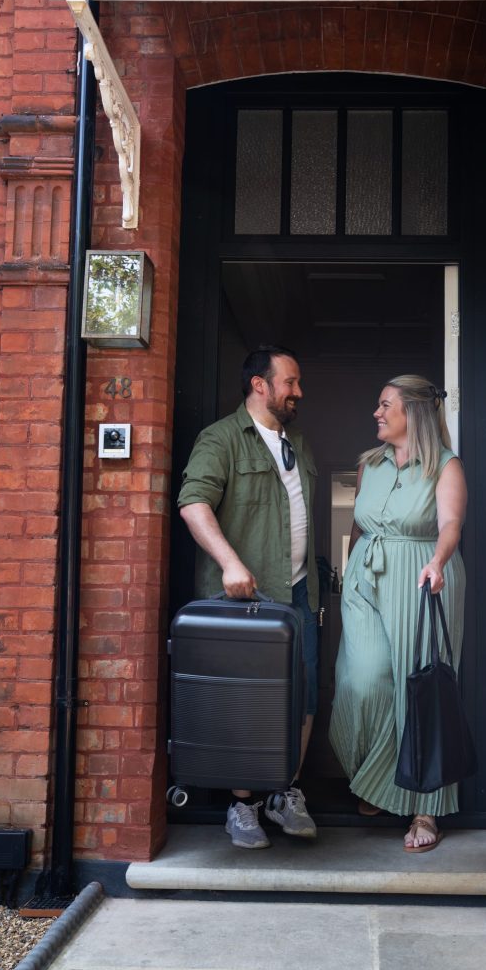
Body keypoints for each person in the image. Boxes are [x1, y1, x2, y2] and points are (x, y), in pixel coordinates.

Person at [178, 346, 319, 849]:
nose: (298, 391)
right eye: (290, 382)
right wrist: (230, 562)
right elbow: (193, 503)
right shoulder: (221, 439)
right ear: (260, 385)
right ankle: (244, 805)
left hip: (298, 595)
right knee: (243, 701)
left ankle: (284, 792)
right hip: (246, 601)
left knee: (303, 698)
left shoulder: (298, 443)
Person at [329, 374, 467, 853]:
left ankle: (425, 807)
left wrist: (439, 561)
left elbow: (450, 524)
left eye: (386, 405)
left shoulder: (445, 466)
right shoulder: (369, 465)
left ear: (415, 412)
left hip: (421, 577)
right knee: (362, 680)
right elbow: (357, 526)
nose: (377, 412)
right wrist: (349, 575)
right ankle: (374, 779)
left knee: (418, 687)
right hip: (365, 580)